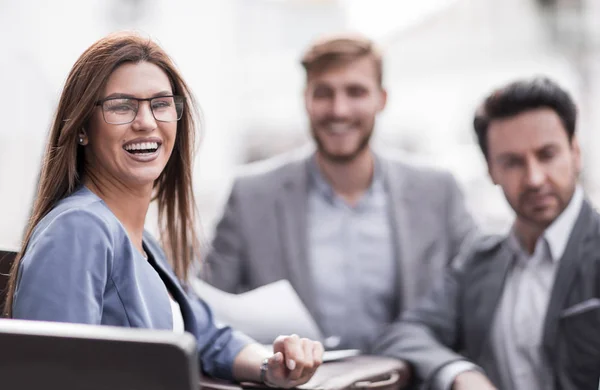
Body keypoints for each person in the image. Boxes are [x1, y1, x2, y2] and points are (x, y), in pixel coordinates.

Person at [4, 32, 323, 387]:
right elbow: (48, 377)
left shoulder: (144, 244)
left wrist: (272, 364)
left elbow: (206, 336)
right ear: (82, 128)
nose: (146, 121)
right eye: (122, 106)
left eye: (160, 104)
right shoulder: (78, 229)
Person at [203, 33, 478, 351]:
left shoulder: (437, 192)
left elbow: (478, 298)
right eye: (324, 93)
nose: (339, 110)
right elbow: (208, 312)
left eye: (356, 92)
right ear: (305, 99)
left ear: (382, 99)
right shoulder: (251, 197)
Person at [374, 77, 600, 389]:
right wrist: (458, 372)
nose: (534, 178)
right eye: (512, 162)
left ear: (575, 153)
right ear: (490, 169)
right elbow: (405, 333)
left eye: (547, 155)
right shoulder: (479, 261)